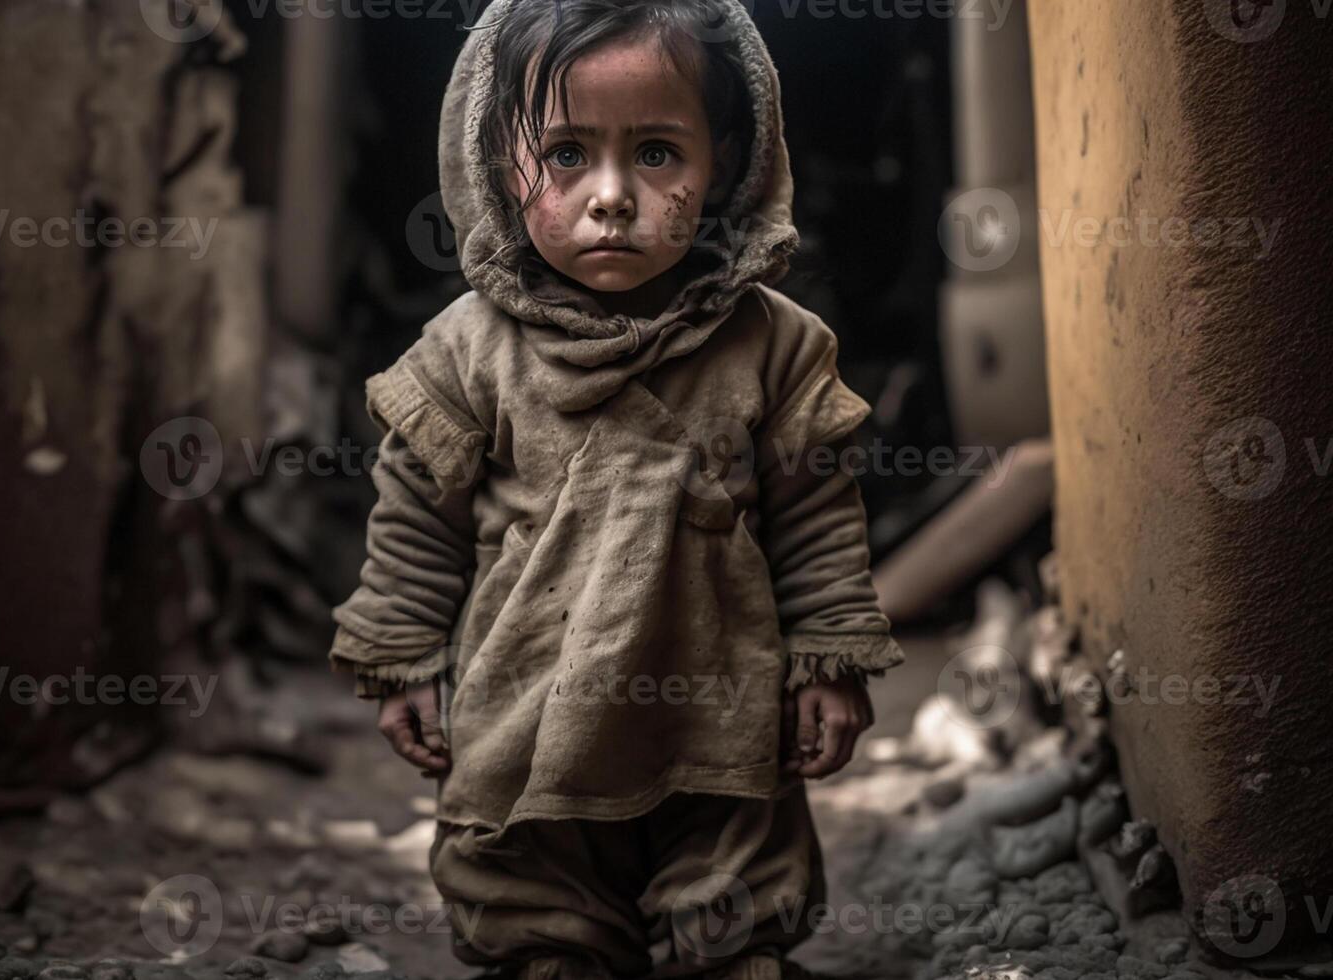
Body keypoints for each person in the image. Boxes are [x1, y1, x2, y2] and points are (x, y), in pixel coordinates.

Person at [329, 0, 903, 975]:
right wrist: (401, 654)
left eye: (655, 154)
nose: (609, 195)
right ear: (497, 160)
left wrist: (828, 658)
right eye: (564, 154)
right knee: (535, 913)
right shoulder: (468, 354)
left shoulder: (774, 346)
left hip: (719, 720)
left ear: (726, 157)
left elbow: (814, 521)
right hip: (527, 722)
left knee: (732, 911)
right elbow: (417, 520)